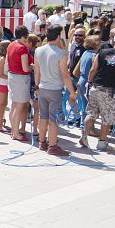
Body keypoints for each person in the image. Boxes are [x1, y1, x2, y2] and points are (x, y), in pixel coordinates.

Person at [84, 33, 115, 151]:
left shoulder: (102, 52)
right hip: (110, 91)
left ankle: (83, 136)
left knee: (91, 113)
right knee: (107, 117)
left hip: (96, 87)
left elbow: (93, 70)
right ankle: (102, 143)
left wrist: (90, 82)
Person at [34, 25, 77, 155]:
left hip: (42, 88)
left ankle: (42, 142)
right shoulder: (61, 53)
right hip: (55, 90)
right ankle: (52, 146)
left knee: (43, 116)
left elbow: (37, 70)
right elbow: (65, 75)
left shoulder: (39, 50)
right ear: (58, 36)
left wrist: (36, 85)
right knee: (54, 119)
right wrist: (72, 92)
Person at [7, 26, 32, 142]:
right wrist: (33, 67)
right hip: (21, 78)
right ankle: (16, 133)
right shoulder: (22, 48)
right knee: (19, 106)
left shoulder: (11, 45)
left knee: (14, 106)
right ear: (24, 35)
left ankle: (14, 130)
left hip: (12, 76)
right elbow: (25, 68)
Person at [0, 41, 11, 133]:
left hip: (3, 83)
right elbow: (1, 74)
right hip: (1, 83)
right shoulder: (2, 58)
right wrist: (11, 78)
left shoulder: (4, 58)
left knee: (3, 103)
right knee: (1, 104)